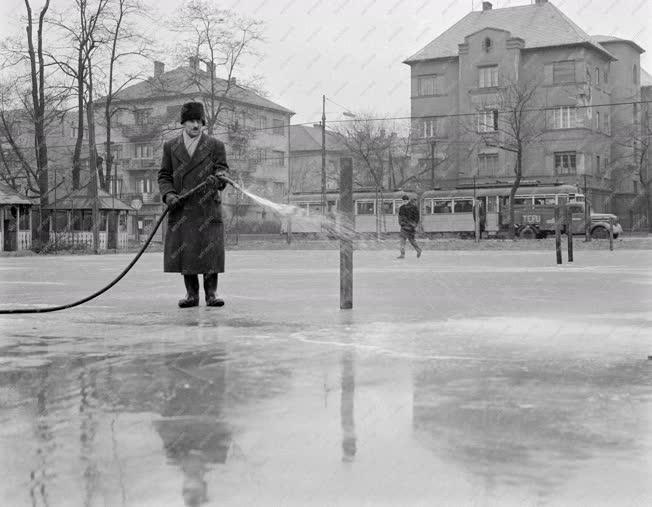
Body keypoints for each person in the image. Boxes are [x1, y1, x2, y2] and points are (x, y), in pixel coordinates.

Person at [158, 101, 229, 308]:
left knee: (209, 253)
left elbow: (223, 170)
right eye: (191, 121)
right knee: (186, 252)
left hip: (207, 207)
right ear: (183, 123)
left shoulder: (216, 146)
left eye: (199, 121)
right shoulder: (170, 147)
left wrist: (219, 178)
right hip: (182, 208)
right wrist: (169, 194)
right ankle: (191, 295)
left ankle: (211, 294)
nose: (195, 125)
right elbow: (164, 175)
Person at [397, 194, 422, 259]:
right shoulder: (411, 207)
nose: (404, 202)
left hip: (409, 226)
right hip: (407, 226)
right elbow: (400, 217)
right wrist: (401, 223)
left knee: (408, 240)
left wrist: (414, 224)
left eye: (405, 200)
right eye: (403, 201)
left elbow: (416, 217)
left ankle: (417, 250)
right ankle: (403, 253)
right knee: (406, 240)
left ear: (408, 200)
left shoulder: (406, 207)